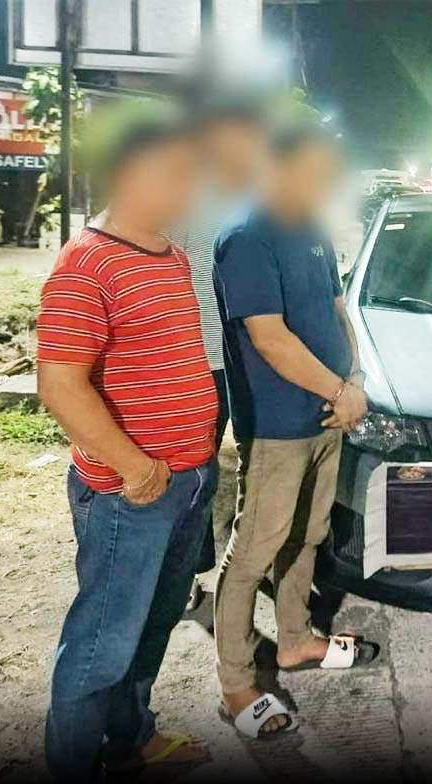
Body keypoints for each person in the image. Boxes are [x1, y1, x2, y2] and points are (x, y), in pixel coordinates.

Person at [37, 103, 218, 781]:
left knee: (152, 625)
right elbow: (59, 383)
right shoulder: (87, 264)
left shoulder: (169, 255)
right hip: (129, 493)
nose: (187, 191)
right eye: (175, 174)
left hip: (186, 481)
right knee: (100, 645)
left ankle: (130, 739)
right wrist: (135, 467)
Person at [212, 120, 374, 740]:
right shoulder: (246, 236)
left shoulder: (310, 229)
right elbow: (270, 339)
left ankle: (296, 639)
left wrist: (352, 379)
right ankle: (235, 681)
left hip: (328, 416)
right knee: (255, 548)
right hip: (278, 425)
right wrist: (341, 392)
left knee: (307, 536)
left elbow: (338, 311)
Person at [171, 94, 266, 610]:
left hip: (247, 358)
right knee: (195, 467)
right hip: (200, 359)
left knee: (251, 461)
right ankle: (184, 571)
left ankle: (246, 556)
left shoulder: (253, 196)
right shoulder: (187, 194)